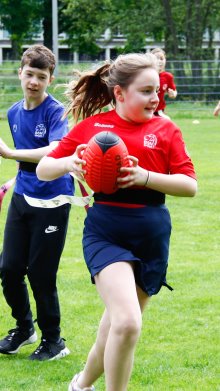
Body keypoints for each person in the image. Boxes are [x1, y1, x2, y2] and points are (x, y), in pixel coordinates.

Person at [36, 53, 197, 390]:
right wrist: (69, 163)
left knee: (114, 330)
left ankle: (80, 385)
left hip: (152, 235)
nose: (156, 98)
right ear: (120, 93)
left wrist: (143, 176)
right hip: (106, 232)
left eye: (157, 90)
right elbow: (43, 169)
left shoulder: (166, 129)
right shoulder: (94, 129)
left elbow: (189, 186)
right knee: (127, 323)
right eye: (146, 91)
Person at [0, 44, 73, 361]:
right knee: (8, 268)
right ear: (20, 73)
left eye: (41, 76)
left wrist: (10, 154)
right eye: (29, 74)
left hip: (53, 200)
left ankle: (54, 341)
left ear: (50, 79)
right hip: (22, 198)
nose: (33, 81)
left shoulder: (56, 112)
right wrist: (14, 177)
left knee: (41, 275)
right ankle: (24, 328)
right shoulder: (14, 112)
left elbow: (55, 151)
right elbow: (27, 159)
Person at [151, 48, 177, 119]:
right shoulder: (145, 75)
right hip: (144, 110)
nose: (159, 61)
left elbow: (174, 92)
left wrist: (173, 94)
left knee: (167, 122)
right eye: (156, 58)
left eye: (161, 59)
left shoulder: (168, 76)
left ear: (165, 60)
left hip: (159, 111)